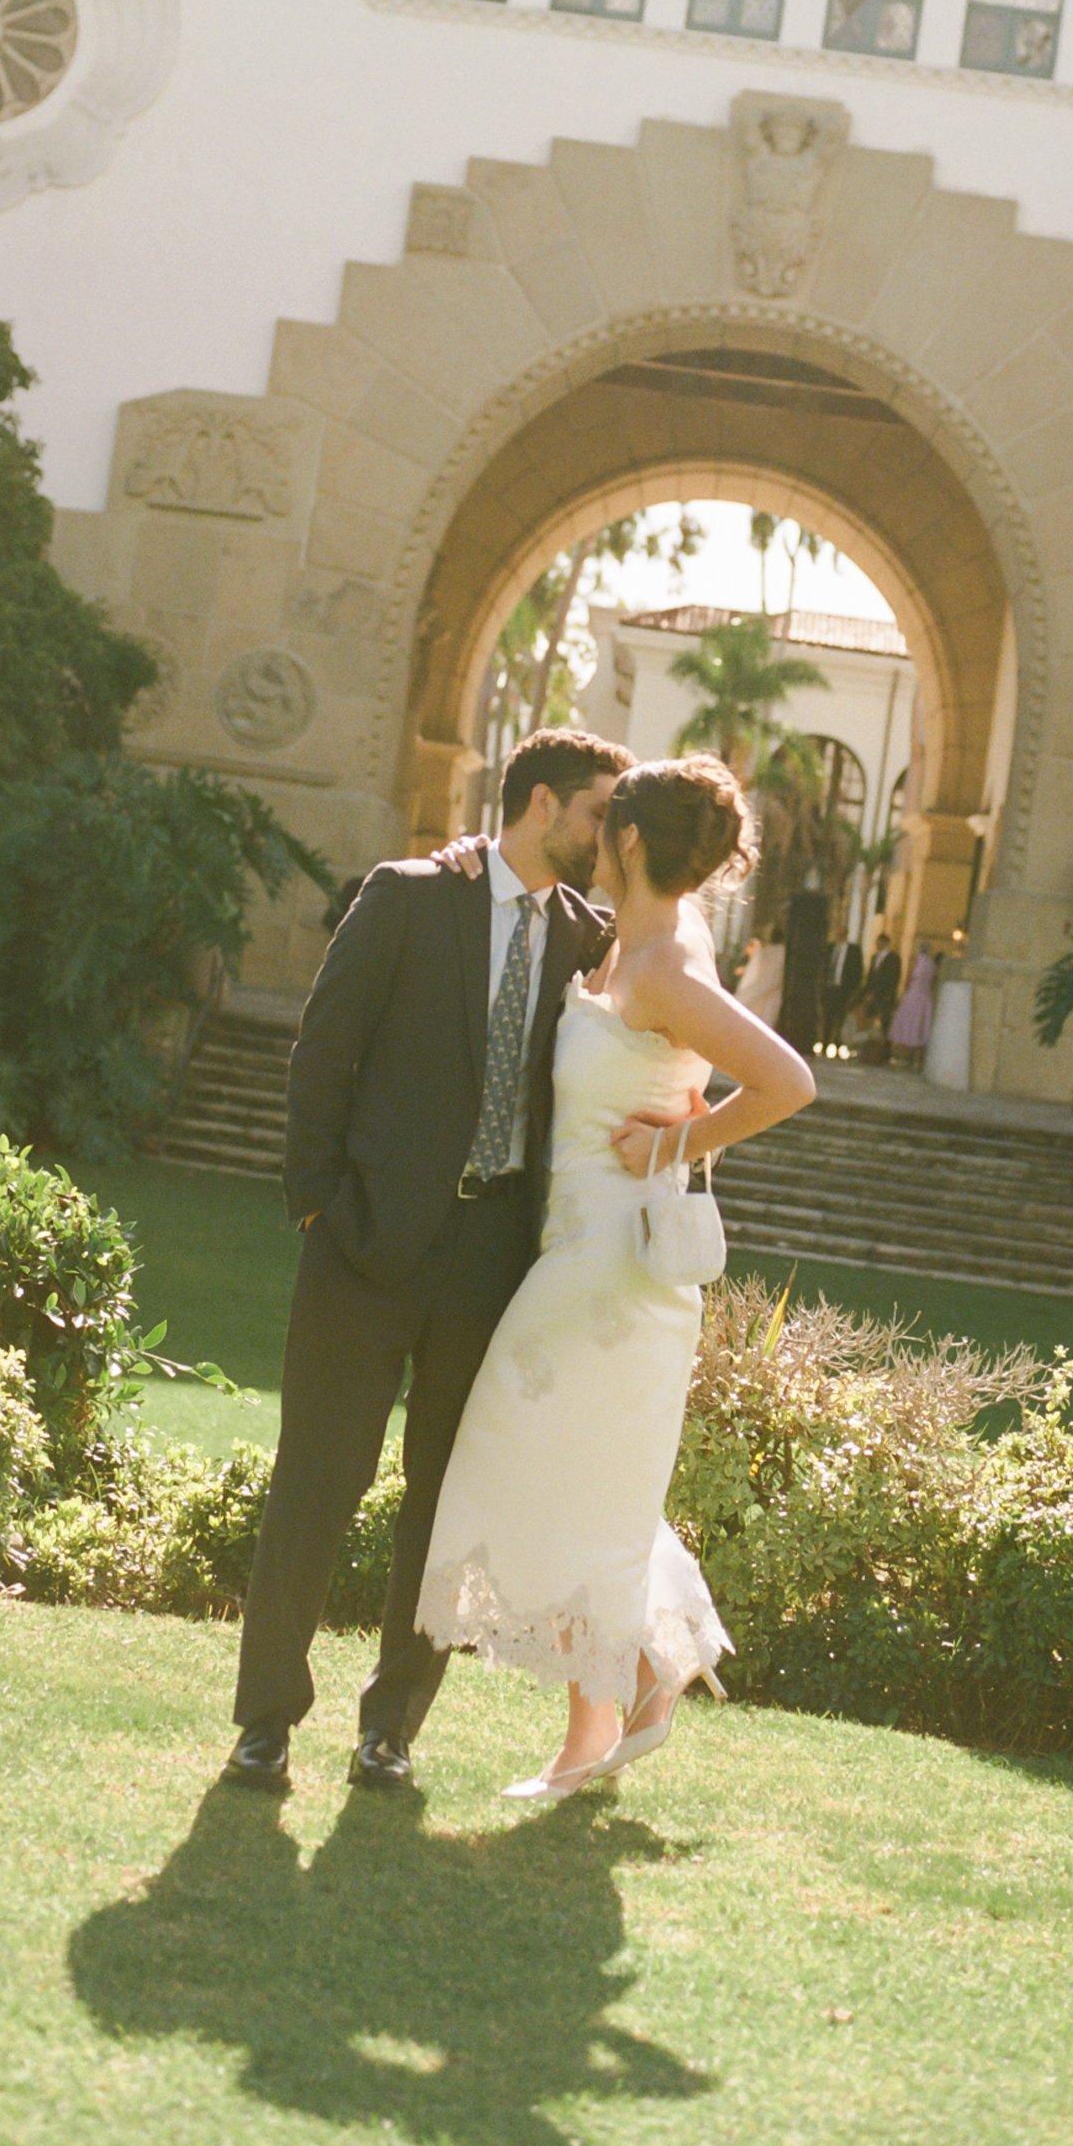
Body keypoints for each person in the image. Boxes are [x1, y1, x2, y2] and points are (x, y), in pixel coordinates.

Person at [223, 725, 669, 1798]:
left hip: (494, 1264)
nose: (610, 836)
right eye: (600, 812)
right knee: (315, 1484)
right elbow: (325, 1048)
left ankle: (391, 1731)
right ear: (542, 802)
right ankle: (264, 1724)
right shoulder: (409, 897)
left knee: (443, 1510)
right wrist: (316, 1202)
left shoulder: (592, 942)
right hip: (364, 1244)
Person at [417, 757, 817, 1799]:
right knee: (578, 1480)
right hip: (576, 1251)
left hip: (612, 1271)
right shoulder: (631, 943)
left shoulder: (667, 966)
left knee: (524, 1458)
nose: (591, 835)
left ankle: (629, 1680)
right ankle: (600, 1716)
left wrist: (680, 1141)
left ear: (629, 840)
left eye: (604, 822)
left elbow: (787, 1080)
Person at [777, 883, 829, 1063]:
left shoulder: (800, 935)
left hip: (801, 977)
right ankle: (800, 1039)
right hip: (804, 978)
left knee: (801, 1003)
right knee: (804, 1003)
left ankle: (798, 1038)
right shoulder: (813, 934)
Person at [890, 942, 939, 1070]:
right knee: (920, 1027)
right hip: (925, 998)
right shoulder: (932, 964)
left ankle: (904, 1058)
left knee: (908, 1025)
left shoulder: (916, 962)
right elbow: (933, 982)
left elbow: (908, 979)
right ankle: (917, 1060)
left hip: (913, 996)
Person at [858, 931, 901, 1061]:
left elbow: (893, 978)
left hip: (885, 996)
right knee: (870, 1024)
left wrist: (887, 994)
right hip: (873, 995)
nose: (877, 945)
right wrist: (866, 993)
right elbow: (871, 978)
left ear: (885, 942)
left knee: (885, 1024)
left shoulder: (893, 958)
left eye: (879, 942)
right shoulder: (875, 957)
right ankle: (869, 1052)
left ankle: (885, 1053)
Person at [821, 931, 865, 1057]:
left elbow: (858, 970)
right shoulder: (830, 948)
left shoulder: (854, 951)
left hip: (844, 990)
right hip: (830, 988)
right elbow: (824, 966)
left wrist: (853, 990)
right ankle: (825, 1043)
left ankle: (838, 1044)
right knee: (828, 1017)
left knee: (841, 1018)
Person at [734, 931, 784, 1030]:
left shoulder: (763, 953)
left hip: (758, 995)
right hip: (773, 997)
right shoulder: (784, 954)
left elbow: (750, 977)